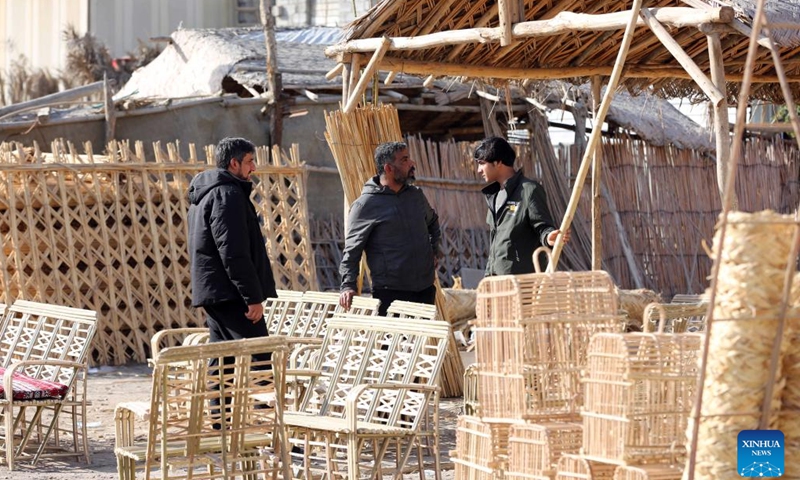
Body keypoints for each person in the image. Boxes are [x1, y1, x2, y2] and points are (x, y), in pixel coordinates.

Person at [187, 137, 277, 427]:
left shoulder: (207, 193)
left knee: (222, 358)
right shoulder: (227, 194)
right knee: (261, 358)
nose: (254, 168)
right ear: (233, 163)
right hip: (231, 293)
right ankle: (277, 427)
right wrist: (251, 296)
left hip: (215, 291)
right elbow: (233, 251)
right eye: (250, 161)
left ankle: (221, 423)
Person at [339, 141, 441, 316]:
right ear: (388, 168)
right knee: (393, 343)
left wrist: (434, 250)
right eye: (404, 160)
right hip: (391, 293)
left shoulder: (415, 195)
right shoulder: (365, 205)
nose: (412, 164)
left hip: (424, 288)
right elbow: (352, 251)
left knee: (420, 341)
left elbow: (432, 222)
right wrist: (348, 285)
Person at [474, 136, 568, 276]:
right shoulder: (494, 196)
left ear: (498, 162)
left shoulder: (529, 190)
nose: (478, 170)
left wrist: (549, 237)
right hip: (496, 281)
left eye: (481, 163)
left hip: (523, 282)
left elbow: (543, 227)